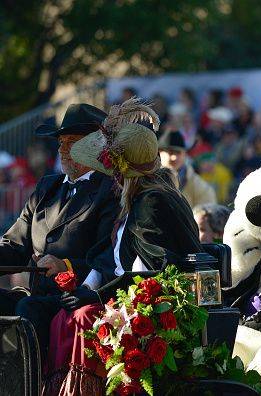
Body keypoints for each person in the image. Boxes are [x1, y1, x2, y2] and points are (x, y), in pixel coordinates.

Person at [42, 99, 203, 395]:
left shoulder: (152, 201)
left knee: (82, 317)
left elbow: (154, 269)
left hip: (150, 304)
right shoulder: (139, 196)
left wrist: (96, 295)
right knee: (62, 316)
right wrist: (89, 286)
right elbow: (110, 254)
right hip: (123, 293)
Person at [0, 104, 118, 358]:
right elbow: (15, 244)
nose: (63, 150)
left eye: (72, 142)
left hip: (74, 297)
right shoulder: (47, 186)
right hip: (38, 294)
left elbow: (107, 257)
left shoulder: (109, 191)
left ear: (94, 147)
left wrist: (65, 265)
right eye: (61, 142)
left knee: (27, 307)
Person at [158, 130, 216, 209]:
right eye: (170, 152)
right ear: (159, 152)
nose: (174, 157)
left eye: (178, 153)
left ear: (185, 154)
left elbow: (207, 218)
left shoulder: (201, 188)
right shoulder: (146, 179)